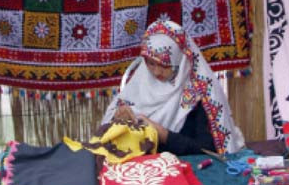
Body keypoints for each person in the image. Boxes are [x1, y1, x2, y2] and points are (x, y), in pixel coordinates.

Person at [102, 20, 245, 155]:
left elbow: (208, 149)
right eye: (151, 63)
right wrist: (119, 119)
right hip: (145, 164)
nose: (156, 72)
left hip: (188, 163)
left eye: (164, 65)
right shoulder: (140, 83)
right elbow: (107, 130)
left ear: (180, 60)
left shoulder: (201, 91)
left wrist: (162, 134)